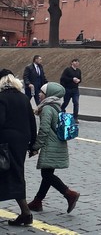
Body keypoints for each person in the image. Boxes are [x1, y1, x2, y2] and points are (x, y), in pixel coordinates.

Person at [27, 83, 80, 214]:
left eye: (42, 92)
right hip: (58, 145)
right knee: (47, 174)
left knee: (46, 174)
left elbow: (44, 130)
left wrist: (35, 147)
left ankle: (69, 193)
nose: (39, 94)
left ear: (49, 94)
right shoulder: (57, 107)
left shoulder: (47, 109)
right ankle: (37, 201)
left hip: (50, 146)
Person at [0, 69, 37, 227]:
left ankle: (26, 212)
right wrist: (33, 145)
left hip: (5, 143)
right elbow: (32, 121)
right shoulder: (23, 98)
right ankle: (25, 213)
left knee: (10, 174)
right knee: (16, 174)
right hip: (21, 143)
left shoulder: (1, 98)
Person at [60, 59, 82, 123]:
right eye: (75, 62)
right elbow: (63, 78)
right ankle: (61, 111)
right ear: (72, 63)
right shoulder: (67, 70)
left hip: (75, 89)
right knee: (66, 102)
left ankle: (75, 117)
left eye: (78, 62)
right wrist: (72, 79)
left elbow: (80, 79)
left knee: (76, 103)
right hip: (68, 89)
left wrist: (78, 80)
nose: (76, 63)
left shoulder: (78, 71)